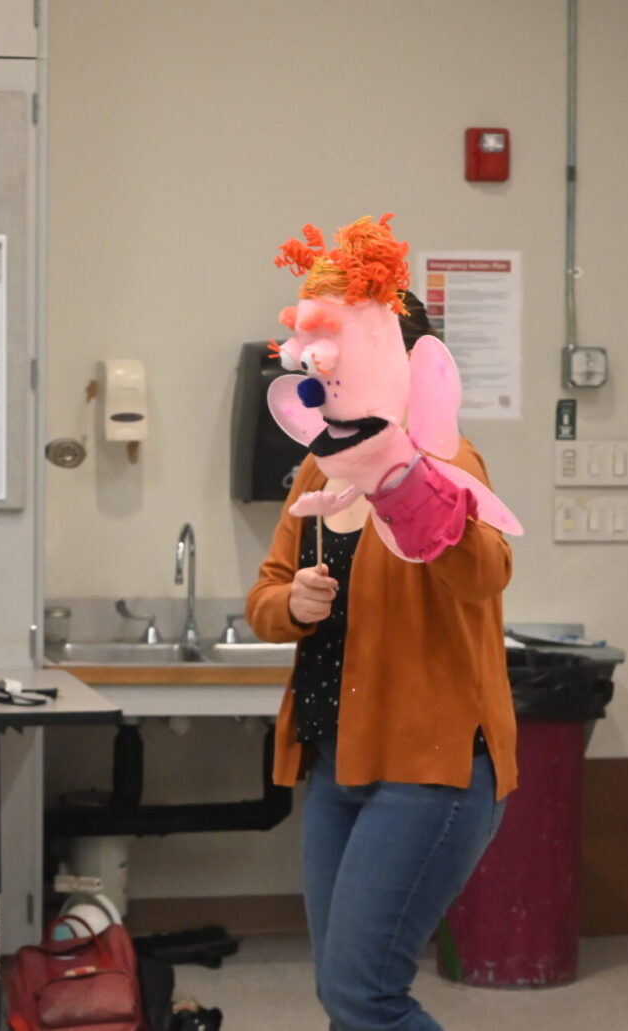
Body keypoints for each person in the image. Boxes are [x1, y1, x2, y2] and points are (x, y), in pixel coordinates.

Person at [245, 292, 515, 1031]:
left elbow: (485, 572)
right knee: (343, 997)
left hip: (433, 770)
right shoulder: (318, 465)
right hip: (338, 762)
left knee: (365, 995)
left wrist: (406, 486)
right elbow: (265, 594)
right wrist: (293, 602)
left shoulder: (447, 458)